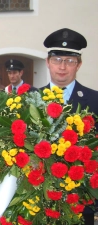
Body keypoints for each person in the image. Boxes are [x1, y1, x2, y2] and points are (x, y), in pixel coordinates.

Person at [41, 28, 98, 225]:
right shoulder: (30, 100)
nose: (62, 67)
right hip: (39, 202)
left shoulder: (95, 100)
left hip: (82, 203)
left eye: (70, 61)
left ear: (79, 64)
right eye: (57, 60)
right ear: (48, 62)